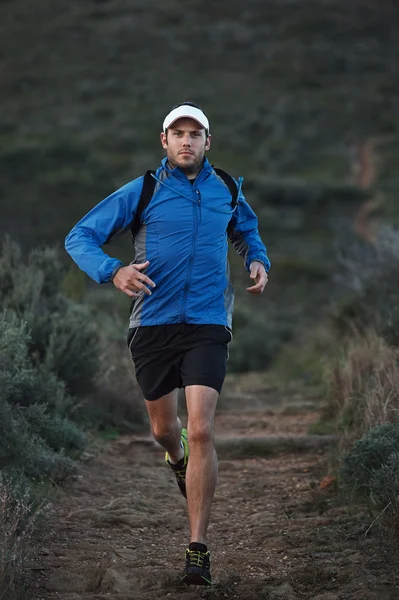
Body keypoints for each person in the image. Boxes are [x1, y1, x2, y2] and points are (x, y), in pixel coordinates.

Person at [65, 101, 270, 586]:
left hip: (207, 323)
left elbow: (246, 229)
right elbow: (80, 236)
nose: (186, 141)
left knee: (201, 430)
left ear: (207, 141)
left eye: (194, 134)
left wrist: (256, 258)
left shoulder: (226, 188)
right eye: (177, 133)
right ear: (164, 141)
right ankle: (174, 456)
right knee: (165, 430)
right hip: (152, 325)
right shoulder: (145, 190)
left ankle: (197, 547)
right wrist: (113, 270)